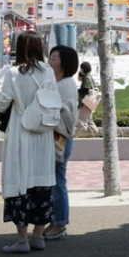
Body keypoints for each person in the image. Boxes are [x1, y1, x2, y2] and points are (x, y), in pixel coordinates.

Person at [0, 31, 56, 253]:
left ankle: (21, 240)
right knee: (42, 185)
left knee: (20, 182)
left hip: (21, 134)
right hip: (43, 134)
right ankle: (38, 236)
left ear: (19, 48)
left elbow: (3, 102)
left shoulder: (13, 73)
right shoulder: (48, 71)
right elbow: (53, 98)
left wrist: (1, 111)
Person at [45, 45, 79, 241]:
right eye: (50, 58)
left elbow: (66, 113)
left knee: (58, 181)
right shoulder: (58, 82)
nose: (50, 62)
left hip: (60, 139)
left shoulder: (66, 84)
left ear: (64, 62)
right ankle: (56, 220)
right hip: (56, 137)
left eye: (54, 58)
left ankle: (60, 223)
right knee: (54, 181)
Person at [75, 61, 98, 133]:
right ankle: (96, 133)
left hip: (85, 103)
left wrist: (77, 91)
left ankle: (77, 136)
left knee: (80, 120)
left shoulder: (87, 78)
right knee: (89, 121)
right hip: (90, 103)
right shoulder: (89, 76)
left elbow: (85, 90)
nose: (80, 70)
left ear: (83, 68)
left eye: (81, 68)